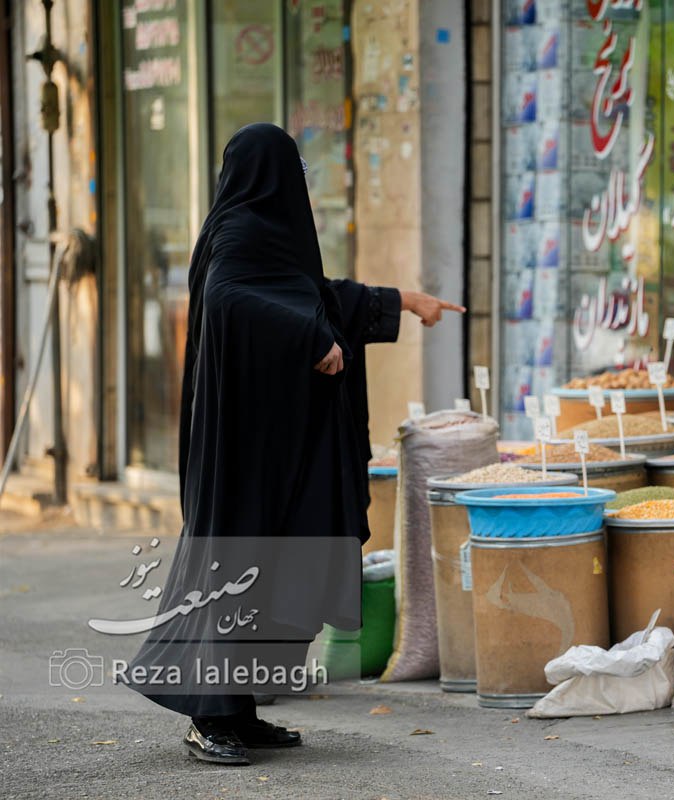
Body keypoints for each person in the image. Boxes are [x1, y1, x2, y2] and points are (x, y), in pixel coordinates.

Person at [125, 123, 464, 765]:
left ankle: (242, 712)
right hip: (241, 450)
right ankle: (208, 717)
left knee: (285, 564)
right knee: (235, 567)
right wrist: (309, 340)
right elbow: (232, 302)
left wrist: (402, 301)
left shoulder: (273, 236)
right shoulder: (236, 234)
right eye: (295, 167)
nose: (302, 181)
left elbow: (315, 296)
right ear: (269, 173)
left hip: (282, 443)